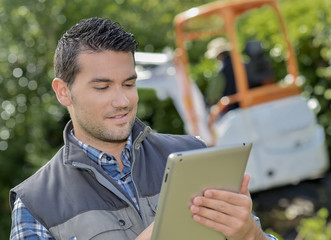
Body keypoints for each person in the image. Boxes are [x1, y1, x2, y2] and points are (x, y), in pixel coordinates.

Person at [9, 17, 277, 240]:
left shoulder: (196, 154)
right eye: (102, 87)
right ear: (63, 92)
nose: (123, 101)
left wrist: (250, 234)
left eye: (128, 84)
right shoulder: (35, 204)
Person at [205, 38, 274, 112]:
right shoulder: (242, 63)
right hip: (249, 103)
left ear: (218, 56)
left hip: (233, 108)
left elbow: (212, 95)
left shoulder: (221, 72)